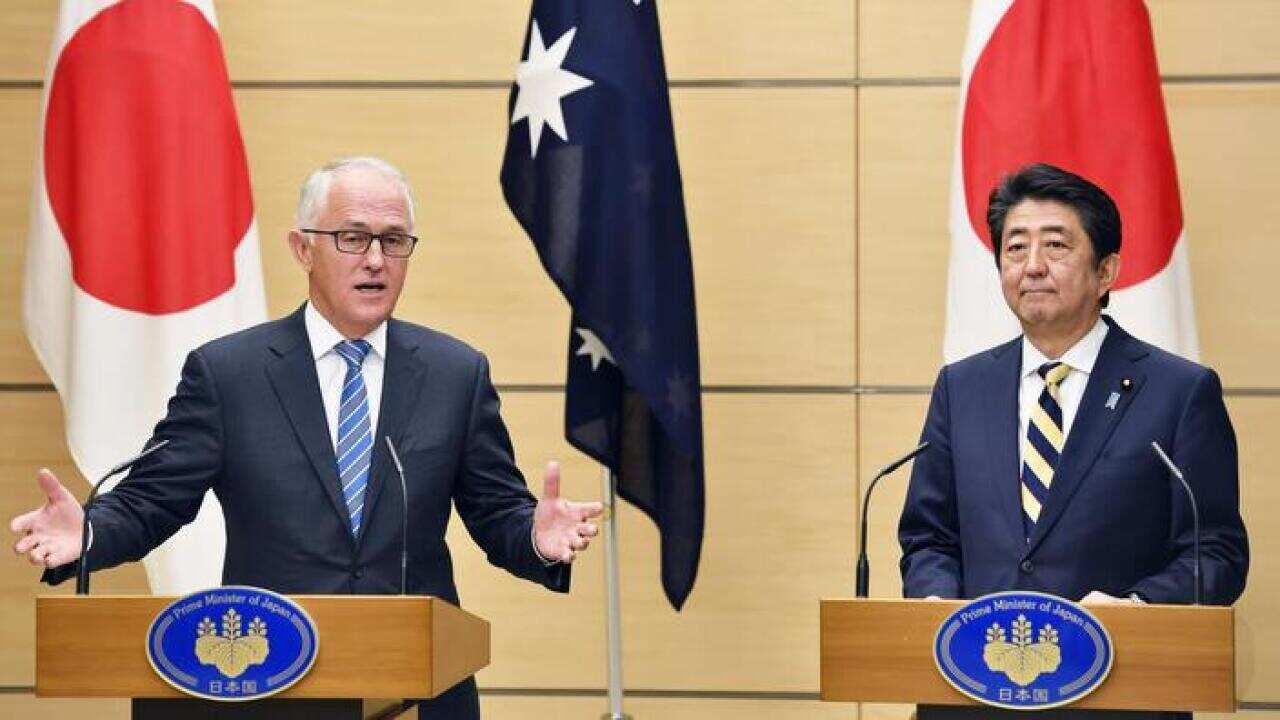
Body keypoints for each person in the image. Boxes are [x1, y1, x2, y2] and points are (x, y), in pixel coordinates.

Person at [10, 156, 604, 718]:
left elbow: (495, 508)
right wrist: (90, 531)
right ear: (304, 249)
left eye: (394, 241)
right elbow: (152, 500)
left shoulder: (456, 374)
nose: (375, 259)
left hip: (421, 692)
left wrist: (534, 535)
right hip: (270, 684)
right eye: (352, 236)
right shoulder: (229, 375)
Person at [898, 163, 1248, 719]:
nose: (1032, 266)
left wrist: (1137, 607)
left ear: (1106, 270)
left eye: (1056, 246)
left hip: (1120, 696)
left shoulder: (1179, 391)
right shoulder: (962, 387)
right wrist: (938, 602)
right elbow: (927, 536)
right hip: (971, 693)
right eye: (1015, 249)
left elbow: (1217, 553)